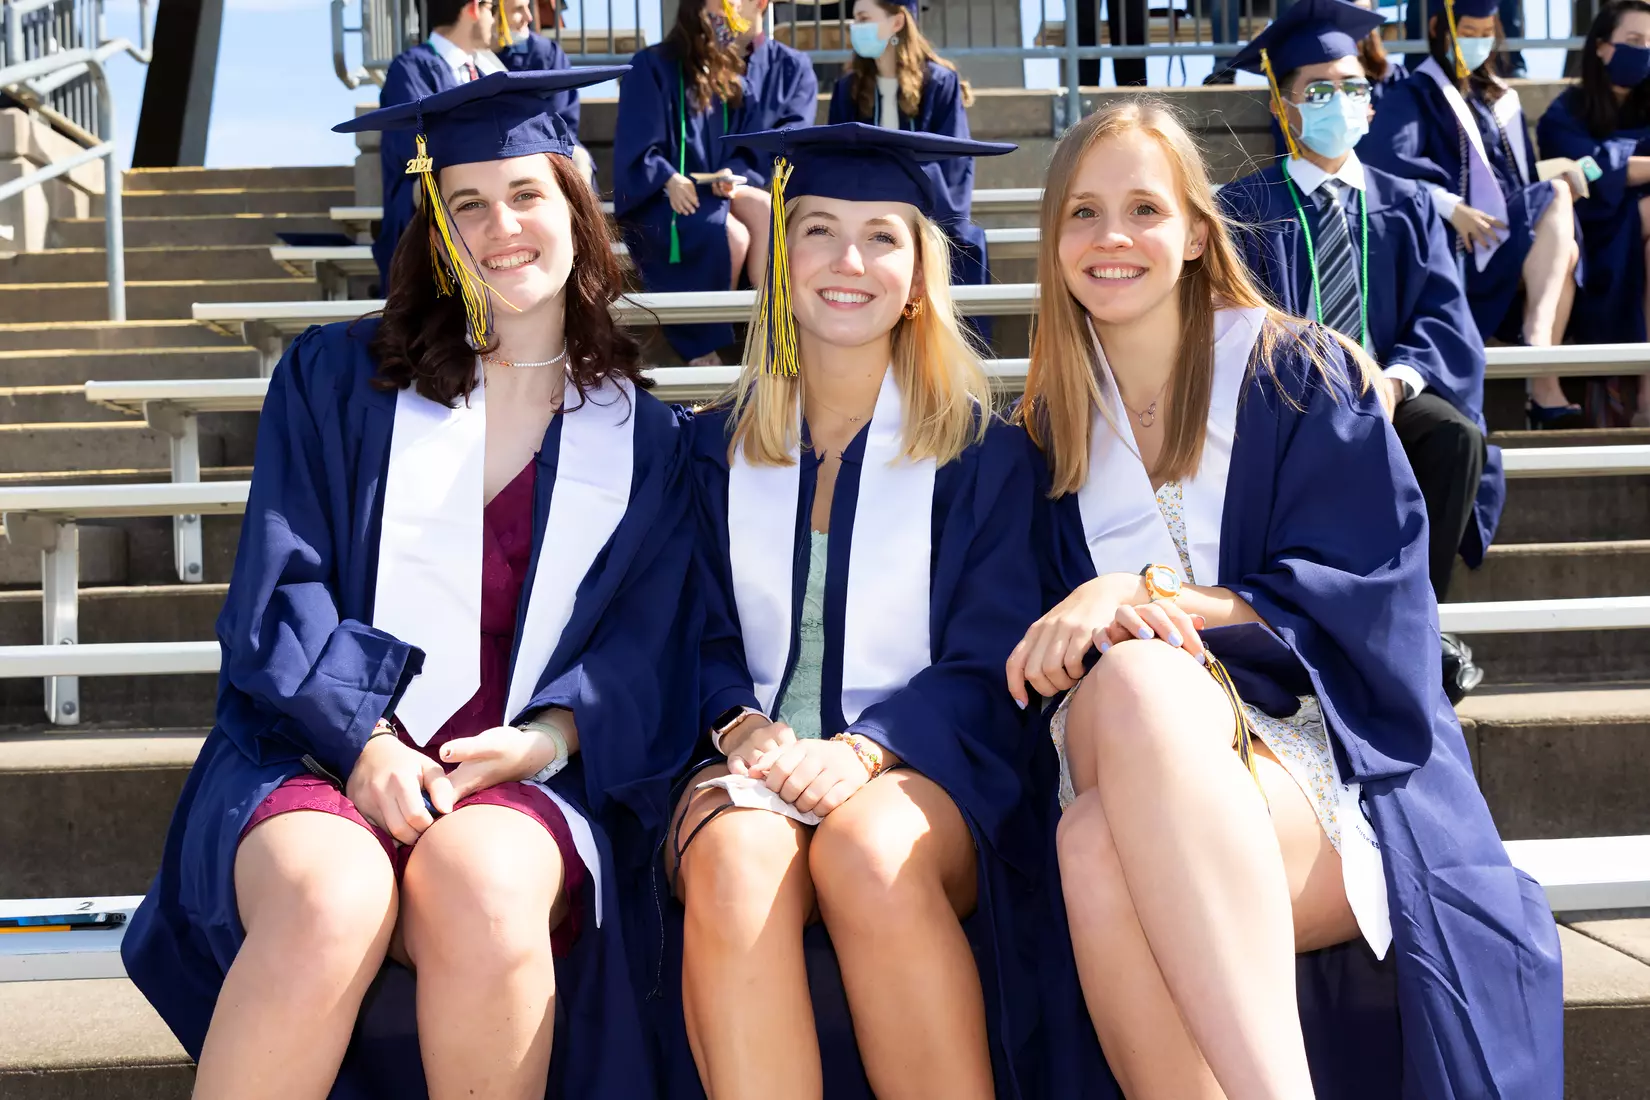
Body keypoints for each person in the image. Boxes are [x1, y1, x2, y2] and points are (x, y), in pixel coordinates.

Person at [119, 70, 700, 1100]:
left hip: (520, 776)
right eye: (465, 203)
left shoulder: (648, 442)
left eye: (526, 194)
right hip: (310, 748)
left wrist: (548, 738)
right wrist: (368, 742)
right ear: (434, 224)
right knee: (331, 893)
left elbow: (648, 648)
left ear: (576, 205)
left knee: (480, 887)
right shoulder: (337, 380)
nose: (500, 227)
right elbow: (280, 590)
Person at [1011, 98, 1563, 1099]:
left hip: (1311, 746)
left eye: (1143, 207)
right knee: (1136, 685)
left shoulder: (1294, 371)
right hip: (1113, 743)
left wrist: (1139, 591)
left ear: (1192, 231)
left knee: (1096, 847)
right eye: (1082, 213)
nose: (1112, 237)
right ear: (1052, 242)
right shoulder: (1044, 431)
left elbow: (1370, 595)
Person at [665, 123, 1055, 1100]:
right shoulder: (704, 452)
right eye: (819, 231)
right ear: (779, 261)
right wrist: (740, 721)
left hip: (925, 767)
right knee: (735, 858)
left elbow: (987, 657)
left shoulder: (984, 455)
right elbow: (684, 627)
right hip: (742, 759)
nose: (849, 261)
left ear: (921, 269)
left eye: (882, 235)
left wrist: (866, 749)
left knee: (867, 847)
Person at [1218, 0, 1498, 702]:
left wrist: (1397, 381)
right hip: (1288, 405)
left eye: (1352, 88)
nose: (1338, 103)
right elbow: (1232, 318)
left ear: (1371, 105)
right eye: (1318, 90)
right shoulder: (1244, 208)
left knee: (1453, 437)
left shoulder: (1404, 203)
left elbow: (1443, 314)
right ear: (1283, 106)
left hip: (1386, 397)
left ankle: (1417, 619)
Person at [1362, 0, 1587, 428]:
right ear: (1438, 29)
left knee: (1564, 227)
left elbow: (1517, 182)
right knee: (1558, 217)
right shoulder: (1416, 93)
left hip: (1506, 237)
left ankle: (1543, 382)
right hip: (1462, 246)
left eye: (1487, 31)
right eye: (1468, 29)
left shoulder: (1499, 97)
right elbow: (1385, 165)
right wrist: (1450, 207)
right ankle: (1541, 358)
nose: (1478, 40)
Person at [613, 0, 818, 367]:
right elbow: (638, 143)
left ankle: (775, 331)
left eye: (726, 17)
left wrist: (734, 171)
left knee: (766, 209)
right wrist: (666, 176)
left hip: (719, 190)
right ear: (695, 16)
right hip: (667, 197)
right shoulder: (653, 66)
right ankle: (701, 346)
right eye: (715, 18)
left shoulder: (726, 71)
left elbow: (748, 144)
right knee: (733, 235)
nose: (724, 26)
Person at [1538, 0, 1650, 427]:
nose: (1645, 52)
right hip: (1591, 240)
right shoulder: (1566, 112)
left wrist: (1623, 168)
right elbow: (1589, 174)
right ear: (1603, 47)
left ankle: (1647, 391)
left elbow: (1607, 166)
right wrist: (1621, 168)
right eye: (1634, 41)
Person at [830, 0, 990, 293]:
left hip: (926, 211)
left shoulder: (940, 84)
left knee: (966, 245)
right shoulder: (848, 89)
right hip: (864, 212)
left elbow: (953, 161)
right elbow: (836, 159)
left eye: (864, 18)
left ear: (897, 23)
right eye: (854, 20)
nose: (855, 28)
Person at [370, 0, 507, 286]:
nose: (494, 20)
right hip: (429, 200)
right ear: (472, 8)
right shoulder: (409, 70)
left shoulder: (487, 69)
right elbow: (415, 148)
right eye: (490, 8)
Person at [493, 0, 595, 182]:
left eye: (527, 7)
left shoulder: (544, 54)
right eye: (518, 10)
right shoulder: (468, 58)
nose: (529, 17)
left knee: (578, 159)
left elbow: (561, 121)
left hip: (542, 148)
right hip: (487, 153)